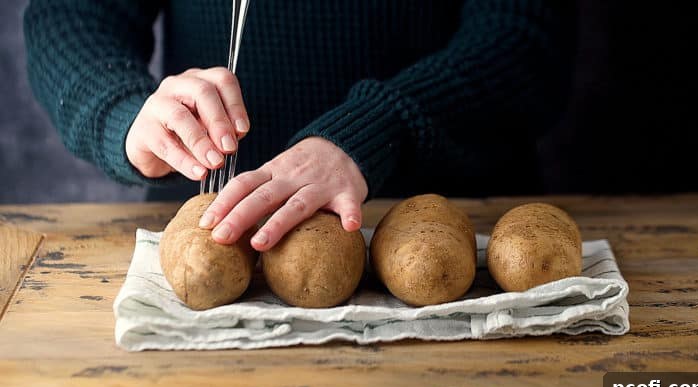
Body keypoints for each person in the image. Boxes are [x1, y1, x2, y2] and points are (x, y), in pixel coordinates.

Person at [24, 0, 574, 251]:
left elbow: (526, 36)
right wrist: (123, 111)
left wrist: (374, 131)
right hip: (211, 237)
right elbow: (68, 15)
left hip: (462, 240)